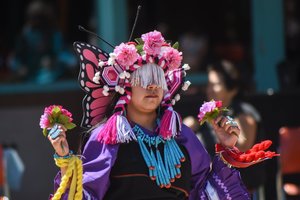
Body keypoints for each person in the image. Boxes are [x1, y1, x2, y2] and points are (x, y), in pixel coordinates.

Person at [47, 30, 252, 199]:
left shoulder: (182, 136)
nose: (152, 86)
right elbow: (83, 195)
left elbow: (206, 192)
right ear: (126, 86)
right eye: (144, 80)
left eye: (158, 80)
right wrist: (65, 160)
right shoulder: (107, 138)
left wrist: (226, 150)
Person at [197, 60, 266, 197]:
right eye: (208, 84)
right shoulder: (210, 116)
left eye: (215, 84)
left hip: (239, 190)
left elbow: (243, 147)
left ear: (232, 89)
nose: (210, 89)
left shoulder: (243, 113)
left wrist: (222, 135)